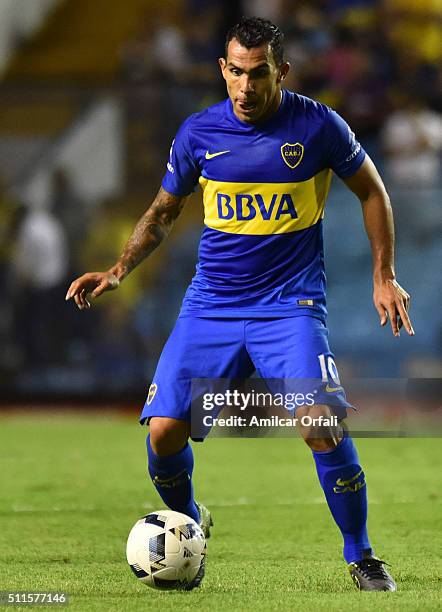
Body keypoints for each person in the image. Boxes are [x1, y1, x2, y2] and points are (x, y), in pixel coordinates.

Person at [66, 17, 414, 591]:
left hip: (290, 307)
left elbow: (371, 191)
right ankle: (191, 521)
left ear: (282, 71)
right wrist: (118, 269)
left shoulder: (319, 125)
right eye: (235, 73)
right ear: (222, 70)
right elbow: (162, 213)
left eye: (258, 74)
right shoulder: (198, 133)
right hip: (212, 306)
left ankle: (363, 555)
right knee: (163, 433)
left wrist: (384, 275)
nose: (245, 88)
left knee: (319, 423)